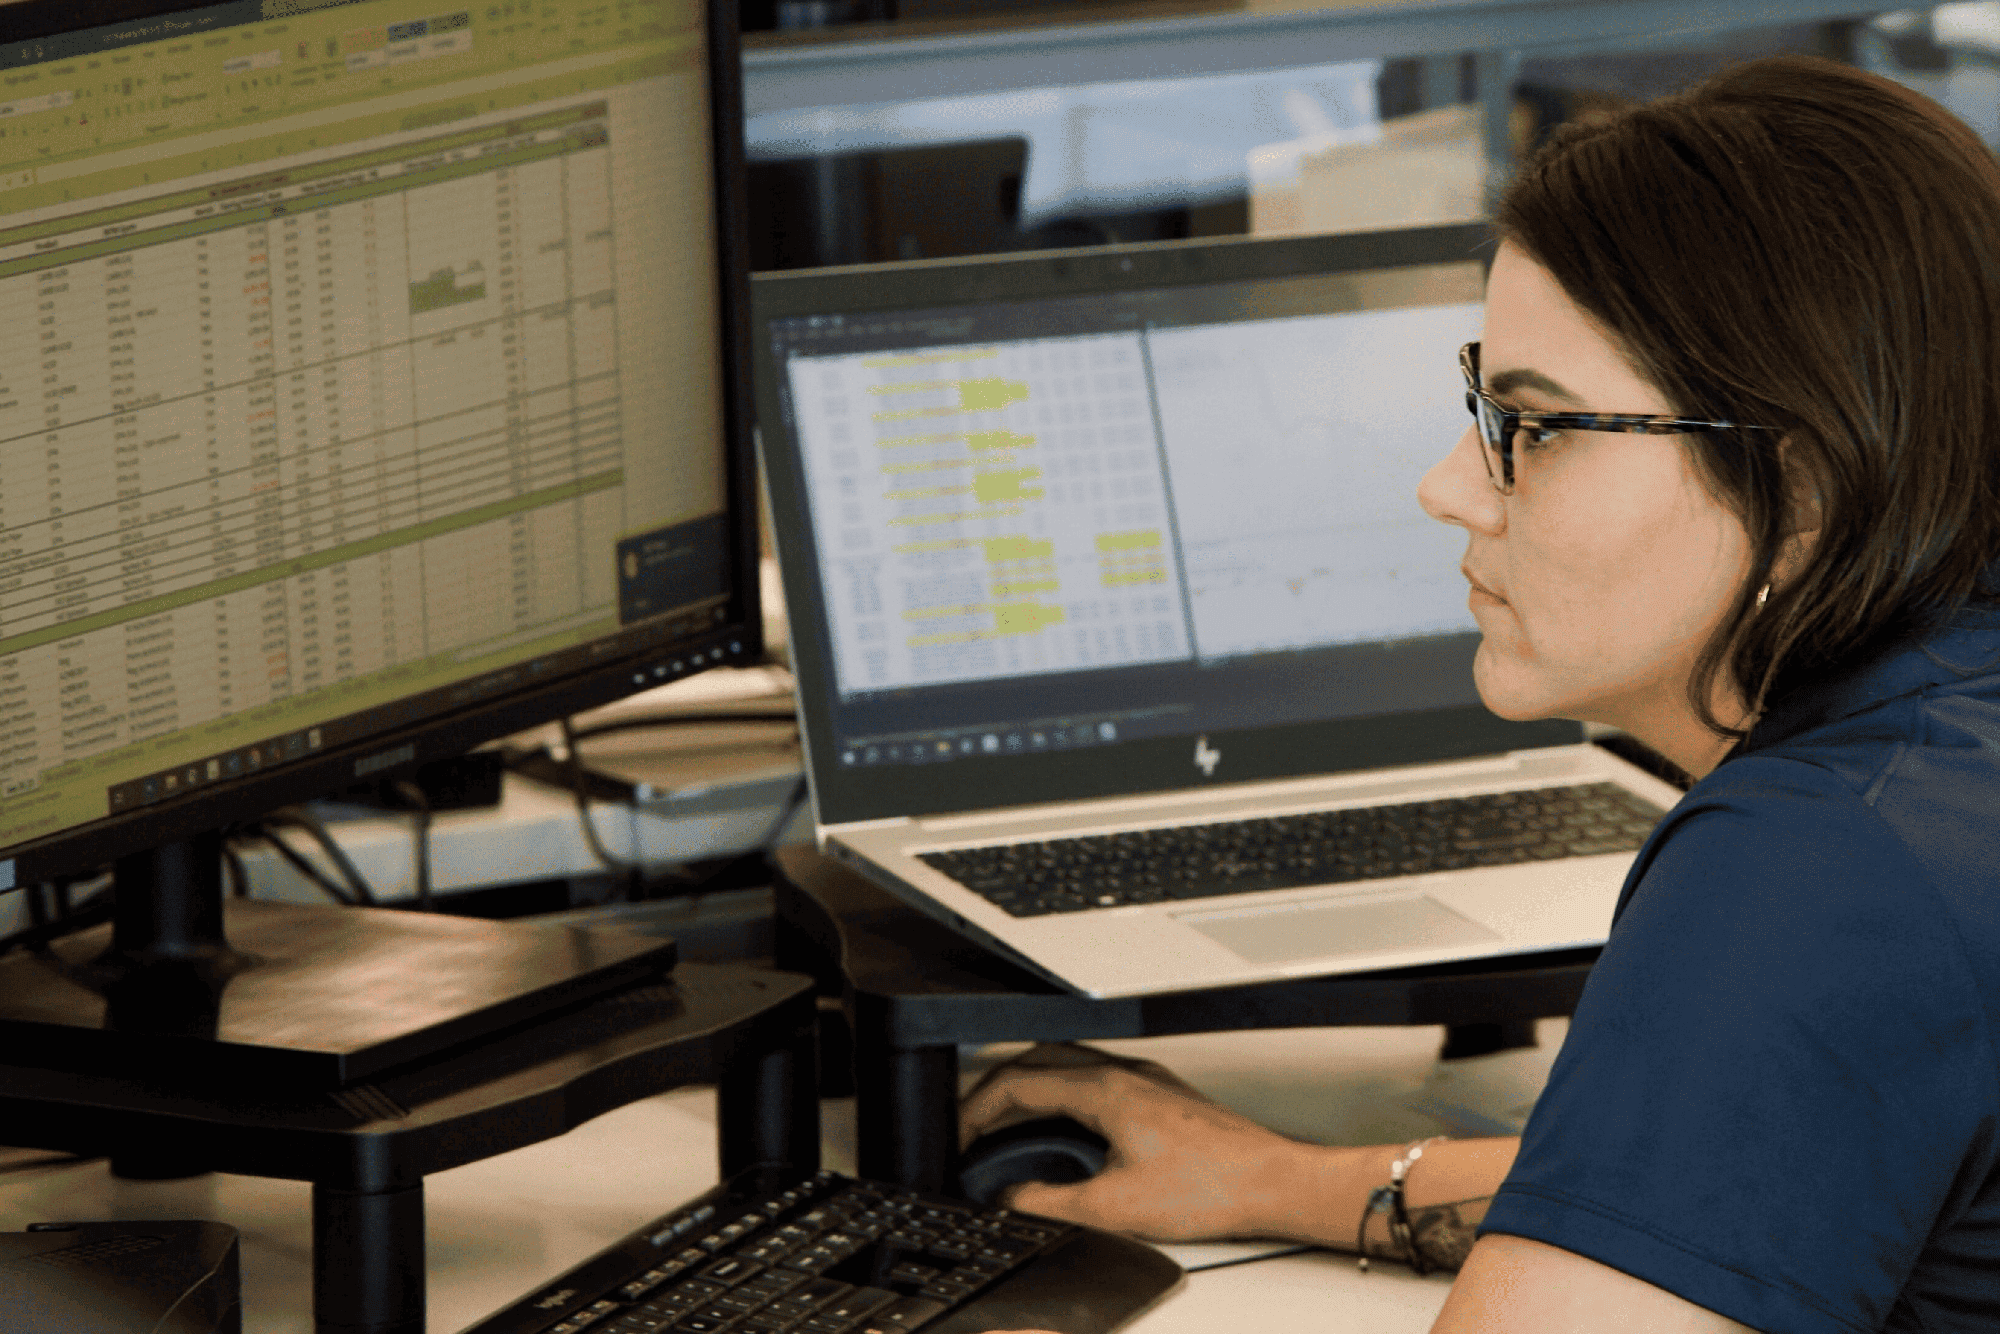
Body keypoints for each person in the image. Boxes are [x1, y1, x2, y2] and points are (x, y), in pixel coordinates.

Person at [964, 53, 2000, 1334]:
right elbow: (1742, 1170)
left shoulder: (1814, 869)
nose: (1451, 485)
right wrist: (1287, 1180)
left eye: (1538, 423)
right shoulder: (1948, 746)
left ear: (1797, 496)